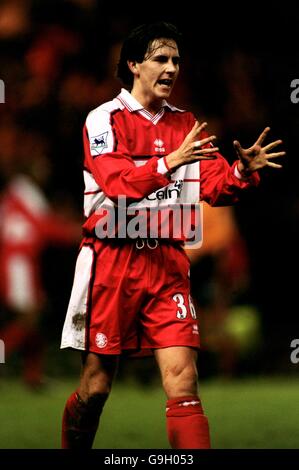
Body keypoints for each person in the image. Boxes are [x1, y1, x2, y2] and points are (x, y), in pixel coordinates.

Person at [60, 21, 285, 449]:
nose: (171, 68)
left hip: (167, 263)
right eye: (160, 59)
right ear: (133, 65)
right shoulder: (103, 118)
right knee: (96, 389)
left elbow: (215, 186)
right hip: (112, 262)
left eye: (176, 60)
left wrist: (241, 170)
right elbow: (116, 182)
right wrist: (168, 163)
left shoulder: (185, 123)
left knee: (183, 381)